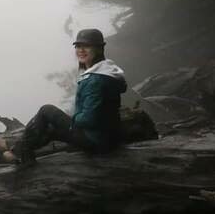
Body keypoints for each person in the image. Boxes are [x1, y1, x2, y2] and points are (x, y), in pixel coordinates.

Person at [7, 28, 127, 166]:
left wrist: (72, 119)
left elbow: (89, 119)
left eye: (86, 46)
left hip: (96, 142)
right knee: (51, 129)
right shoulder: (107, 71)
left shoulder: (96, 80)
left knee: (47, 110)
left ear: (99, 49)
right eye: (78, 46)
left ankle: (20, 151)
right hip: (109, 138)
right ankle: (22, 155)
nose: (81, 50)